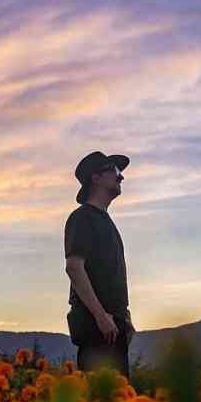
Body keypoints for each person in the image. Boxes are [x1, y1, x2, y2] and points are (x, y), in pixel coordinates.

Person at [64, 150, 136, 379]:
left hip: (114, 328)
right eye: (114, 171)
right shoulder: (82, 217)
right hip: (98, 330)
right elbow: (74, 267)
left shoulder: (105, 221)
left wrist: (125, 318)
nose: (121, 177)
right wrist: (101, 316)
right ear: (95, 178)